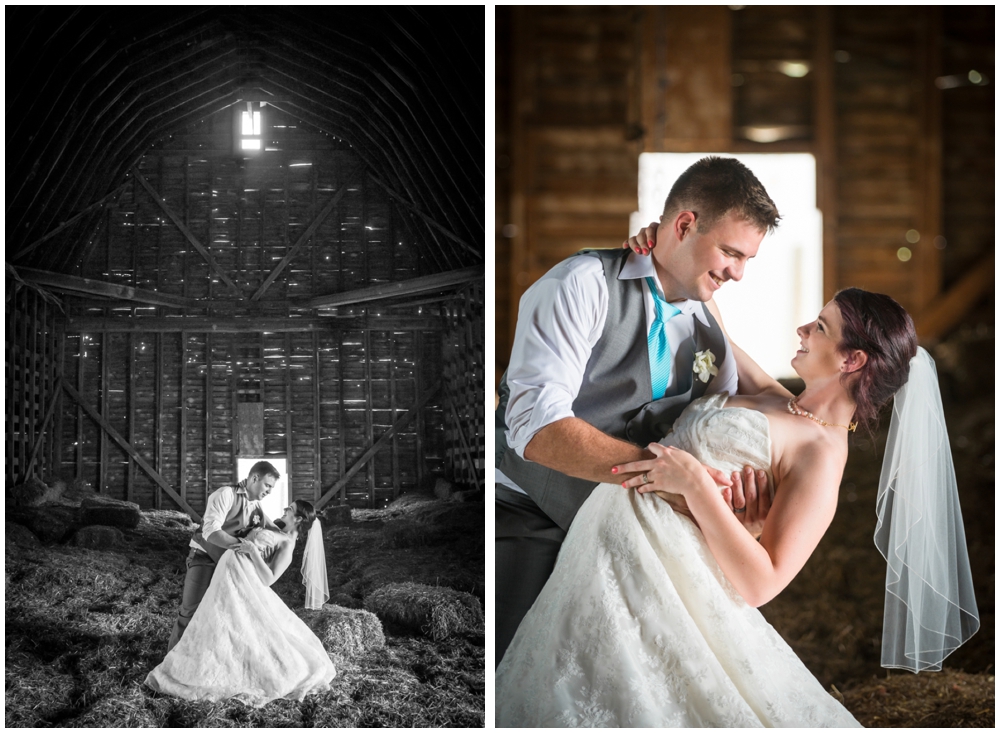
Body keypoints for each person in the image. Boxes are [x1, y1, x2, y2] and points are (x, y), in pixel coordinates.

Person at [495, 289, 979, 726]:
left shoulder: (821, 456)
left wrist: (699, 492)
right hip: (608, 543)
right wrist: (661, 246)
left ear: (851, 359)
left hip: (662, 574)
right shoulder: (778, 399)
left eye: (820, 327)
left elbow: (763, 582)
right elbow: (710, 317)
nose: (803, 330)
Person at [495, 156, 781, 664]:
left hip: (637, 533)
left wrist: (740, 513)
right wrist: (669, 483)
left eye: (747, 260)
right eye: (730, 252)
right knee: (517, 667)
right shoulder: (578, 286)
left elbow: (730, 421)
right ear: (685, 225)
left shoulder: (710, 323)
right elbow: (534, 428)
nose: (737, 273)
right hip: (534, 518)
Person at [146, 499, 335, 707]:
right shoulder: (277, 528)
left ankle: (217, 669)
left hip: (240, 577)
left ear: (298, 518)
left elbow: (268, 578)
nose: (284, 510)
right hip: (230, 570)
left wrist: (253, 551)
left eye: (290, 509)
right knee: (219, 618)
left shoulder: (288, 544)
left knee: (226, 621)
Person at [167, 461, 282, 651]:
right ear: (254, 478)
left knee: (222, 615)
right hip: (205, 557)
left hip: (229, 564)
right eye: (267, 485)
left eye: (271, 488)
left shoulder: (257, 508)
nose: (269, 491)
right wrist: (244, 547)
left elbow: (273, 529)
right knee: (191, 610)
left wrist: (289, 537)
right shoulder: (225, 495)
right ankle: (169, 663)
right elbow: (210, 532)